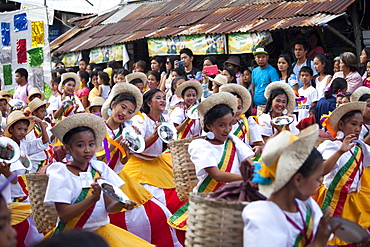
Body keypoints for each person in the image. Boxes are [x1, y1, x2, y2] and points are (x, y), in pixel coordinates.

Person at [43, 113, 153, 246]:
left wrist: (121, 205)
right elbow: (64, 215)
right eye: (80, 145)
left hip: (102, 233)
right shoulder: (61, 173)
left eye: (91, 144)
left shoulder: (100, 168)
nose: (87, 150)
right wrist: (92, 199)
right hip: (72, 239)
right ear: (67, 148)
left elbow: (110, 207)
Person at [100, 83, 182, 246]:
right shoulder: (99, 127)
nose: (124, 113)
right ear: (113, 104)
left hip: (117, 177)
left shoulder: (126, 130)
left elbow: (123, 161)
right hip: (100, 180)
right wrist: (118, 144)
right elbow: (101, 159)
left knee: (159, 212)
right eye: (122, 107)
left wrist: (127, 147)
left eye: (130, 111)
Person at [168, 92, 255, 231]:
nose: (227, 129)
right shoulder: (199, 145)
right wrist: (248, 178)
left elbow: (248, 162)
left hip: (235, 197)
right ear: (208, 126)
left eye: (229, 124)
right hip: (210, 201)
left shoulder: (233, 140)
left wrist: (256, 174)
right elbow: (216, 175)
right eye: (221, 125)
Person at [243, 124, 335, 247]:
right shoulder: (262, 217)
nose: (319, 184)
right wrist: (317, 243)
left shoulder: (307, 205)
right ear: (298, 179)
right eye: (317, 179)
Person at [313, 102, 370, 246]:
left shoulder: (361, 147)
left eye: (360, 125)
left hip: (352, 203)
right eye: (353, 124)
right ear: (340, 125)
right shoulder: (331, 146)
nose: (357, 129)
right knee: (329, 239)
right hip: (331, 200)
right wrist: (340, 152)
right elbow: (322, 170)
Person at [219, 84, 264, 153]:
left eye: (239, 108)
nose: (235, 111)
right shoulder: (217, 124)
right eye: (232, 107)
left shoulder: (247, 122)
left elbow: (260, 145)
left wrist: (258, 148)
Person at [251, 47, 280, 115]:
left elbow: (276, 89)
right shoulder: (254, 71)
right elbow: (253, 89)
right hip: (257, 107)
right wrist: (251, 106)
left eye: (263, 57)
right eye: (258, 57)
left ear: (267, 57)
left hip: (268, 107)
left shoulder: (272, 71)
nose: (260, 59)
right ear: (255, 58)